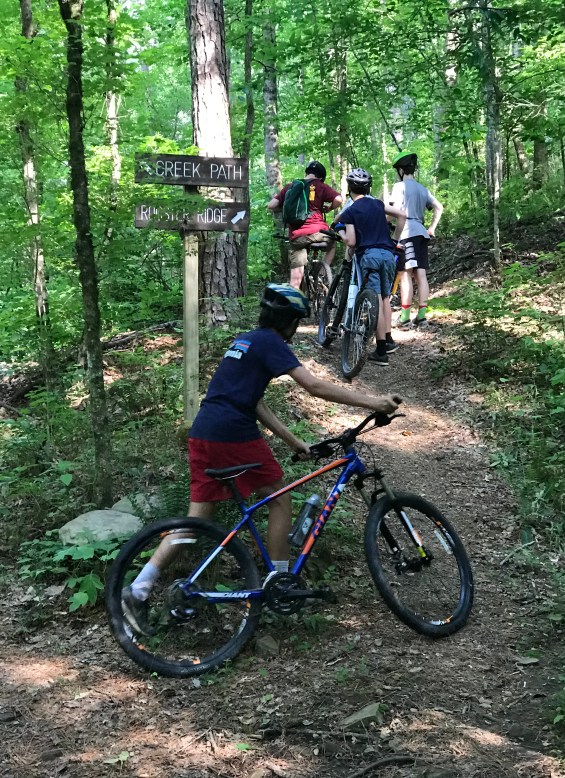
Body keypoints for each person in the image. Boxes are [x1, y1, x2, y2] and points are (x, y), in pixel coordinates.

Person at [122, 283, 402, 635]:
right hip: (231, 432)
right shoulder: (271, 342)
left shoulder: (246, 341)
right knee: (279, 498)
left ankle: (139, 588)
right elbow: (314, 386)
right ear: (289, 322)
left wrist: (293, 441)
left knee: (194, 524)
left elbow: (254, 401)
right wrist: (375, 402)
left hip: (205, 432)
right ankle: (280, 581)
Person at [334, 168, 406, 366]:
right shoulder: (377, 204)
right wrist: (395, 241)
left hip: (370, 256)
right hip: (388, 255)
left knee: (375, 300)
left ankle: (381, 351)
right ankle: (387, 341)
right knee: (384, 298)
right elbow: (402, 215)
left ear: (350, 189)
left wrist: (340, 231)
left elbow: (351, 241)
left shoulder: (351, 211)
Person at [389, 151, 443, 328]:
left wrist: (384, 220)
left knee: (405, 274)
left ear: (401, 170)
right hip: (421, 233)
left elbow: (396, 211)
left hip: (406, 233)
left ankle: (405, 317)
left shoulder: (399, 187)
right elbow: (439, 207)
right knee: (421, 274)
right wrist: (432, 228)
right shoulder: (422, 189)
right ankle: (421, 316)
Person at [268, 161, 342, 289]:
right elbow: (338, 199)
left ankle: (295, 294)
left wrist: (284, 208)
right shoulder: (320, 186)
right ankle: (322, 275)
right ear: (321, 177)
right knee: (332, 242)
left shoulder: (291, 187)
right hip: (319, 232)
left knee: (295, 281)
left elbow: (271, 205)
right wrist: (329, 208)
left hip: (298, 235)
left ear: (306, 173)